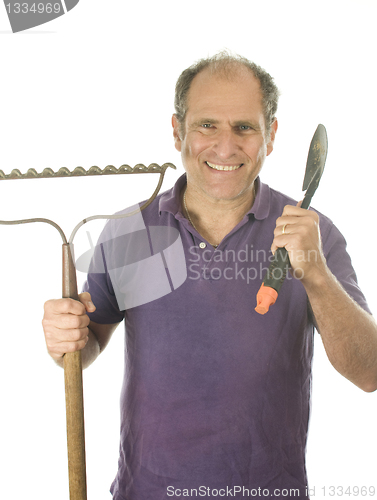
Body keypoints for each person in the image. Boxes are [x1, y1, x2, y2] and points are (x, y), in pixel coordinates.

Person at [42, 52, 377, 499]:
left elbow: (369, 371)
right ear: (177, 130)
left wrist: (314, 273)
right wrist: (67, 340)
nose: (224, 147)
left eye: (244, 127)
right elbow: (88, 346)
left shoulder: (315, 234)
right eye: (206, 125)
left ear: (271, 136)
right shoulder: (129, 230)